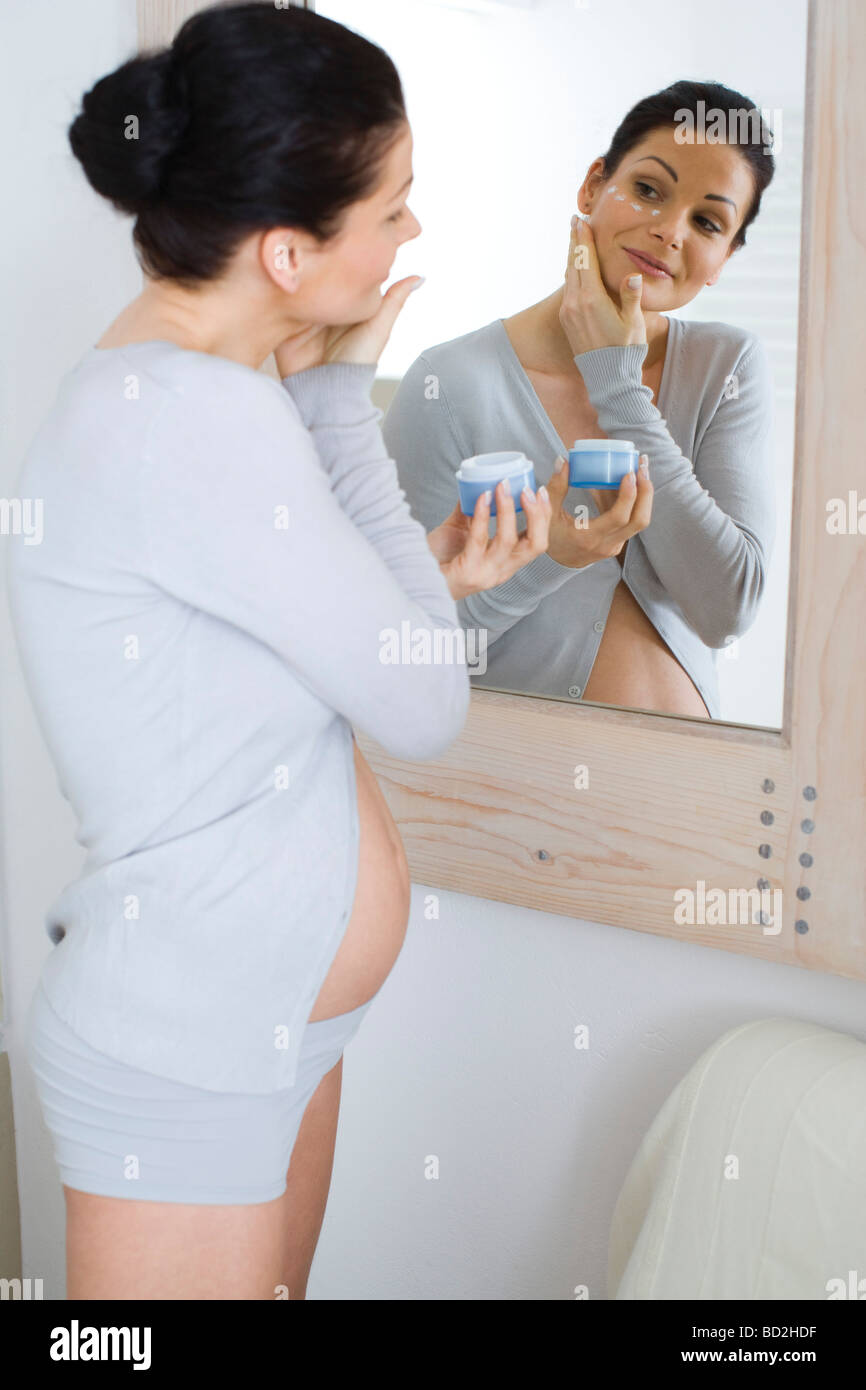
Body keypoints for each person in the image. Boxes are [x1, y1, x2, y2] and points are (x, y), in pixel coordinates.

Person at [6, 2, 561, 1300]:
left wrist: (407, 562)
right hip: (185, 1042)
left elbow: (343, 650)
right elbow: (420, 702)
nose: (411, 231)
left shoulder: (188, 390)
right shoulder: (189, 416)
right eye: (393, 205)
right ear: (287, 252)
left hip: (260, 1021)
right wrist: (334, 401)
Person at [383, 80, 778, 719]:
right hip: (508, 790)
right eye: (649, 189)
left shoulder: (726, 367)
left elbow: (727, 610)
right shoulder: (448, 383)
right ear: (594, 185)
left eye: (707, 221)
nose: (668, 231)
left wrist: (617, 386)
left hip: (691, 792)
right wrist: (553, 562)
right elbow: (406, 656)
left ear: (724, 258)